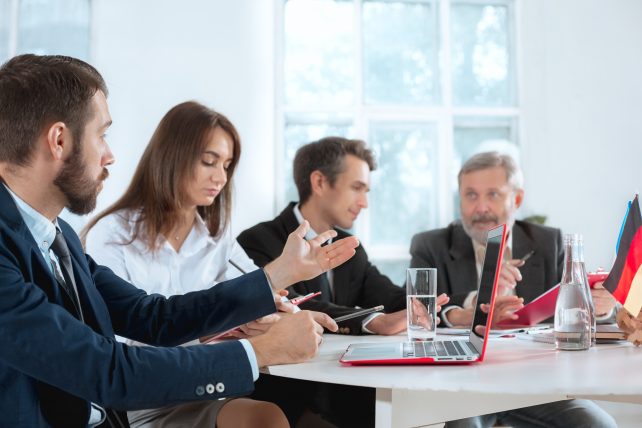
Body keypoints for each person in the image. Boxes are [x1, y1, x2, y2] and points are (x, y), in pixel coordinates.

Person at [0, 54, 359, 428]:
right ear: (59, 140)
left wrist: (276, 276)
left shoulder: (60, 239)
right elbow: (105, 370)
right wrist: (256, 351)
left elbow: (152, 317)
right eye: (102, 135)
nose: (110, 155)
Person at [82, 101, 297, 427]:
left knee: (271, 416)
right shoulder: (113, 235)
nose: (220, 177)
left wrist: (271, 313)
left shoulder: (216, 237)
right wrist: (219, 331)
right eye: (209, 162)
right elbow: (119, 347)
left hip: (212, 389)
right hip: (146, 398)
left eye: (227, 165)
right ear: (173, 157)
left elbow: (260, 294)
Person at [237, 137, 448, 427]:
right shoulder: (257, 241)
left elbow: (391, 295)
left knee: (427, 413)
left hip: (351, 397)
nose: (364, 202)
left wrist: (457, 309)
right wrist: (373, 320)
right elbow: (294, 307)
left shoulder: (351, 248)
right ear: (320, 182)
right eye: (357, 188)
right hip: (287, 405)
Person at [409, 151, 616, 428]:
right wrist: (476, 302)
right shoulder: (430, 244)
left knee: (599, 425)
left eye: (492, 194)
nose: (480, 207)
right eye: (471, 195)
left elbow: (573, 308)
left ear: (516, 199)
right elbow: (413, 306)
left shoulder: (547, 242)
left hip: (534, 383)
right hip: (462, 383)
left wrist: (598, 309)